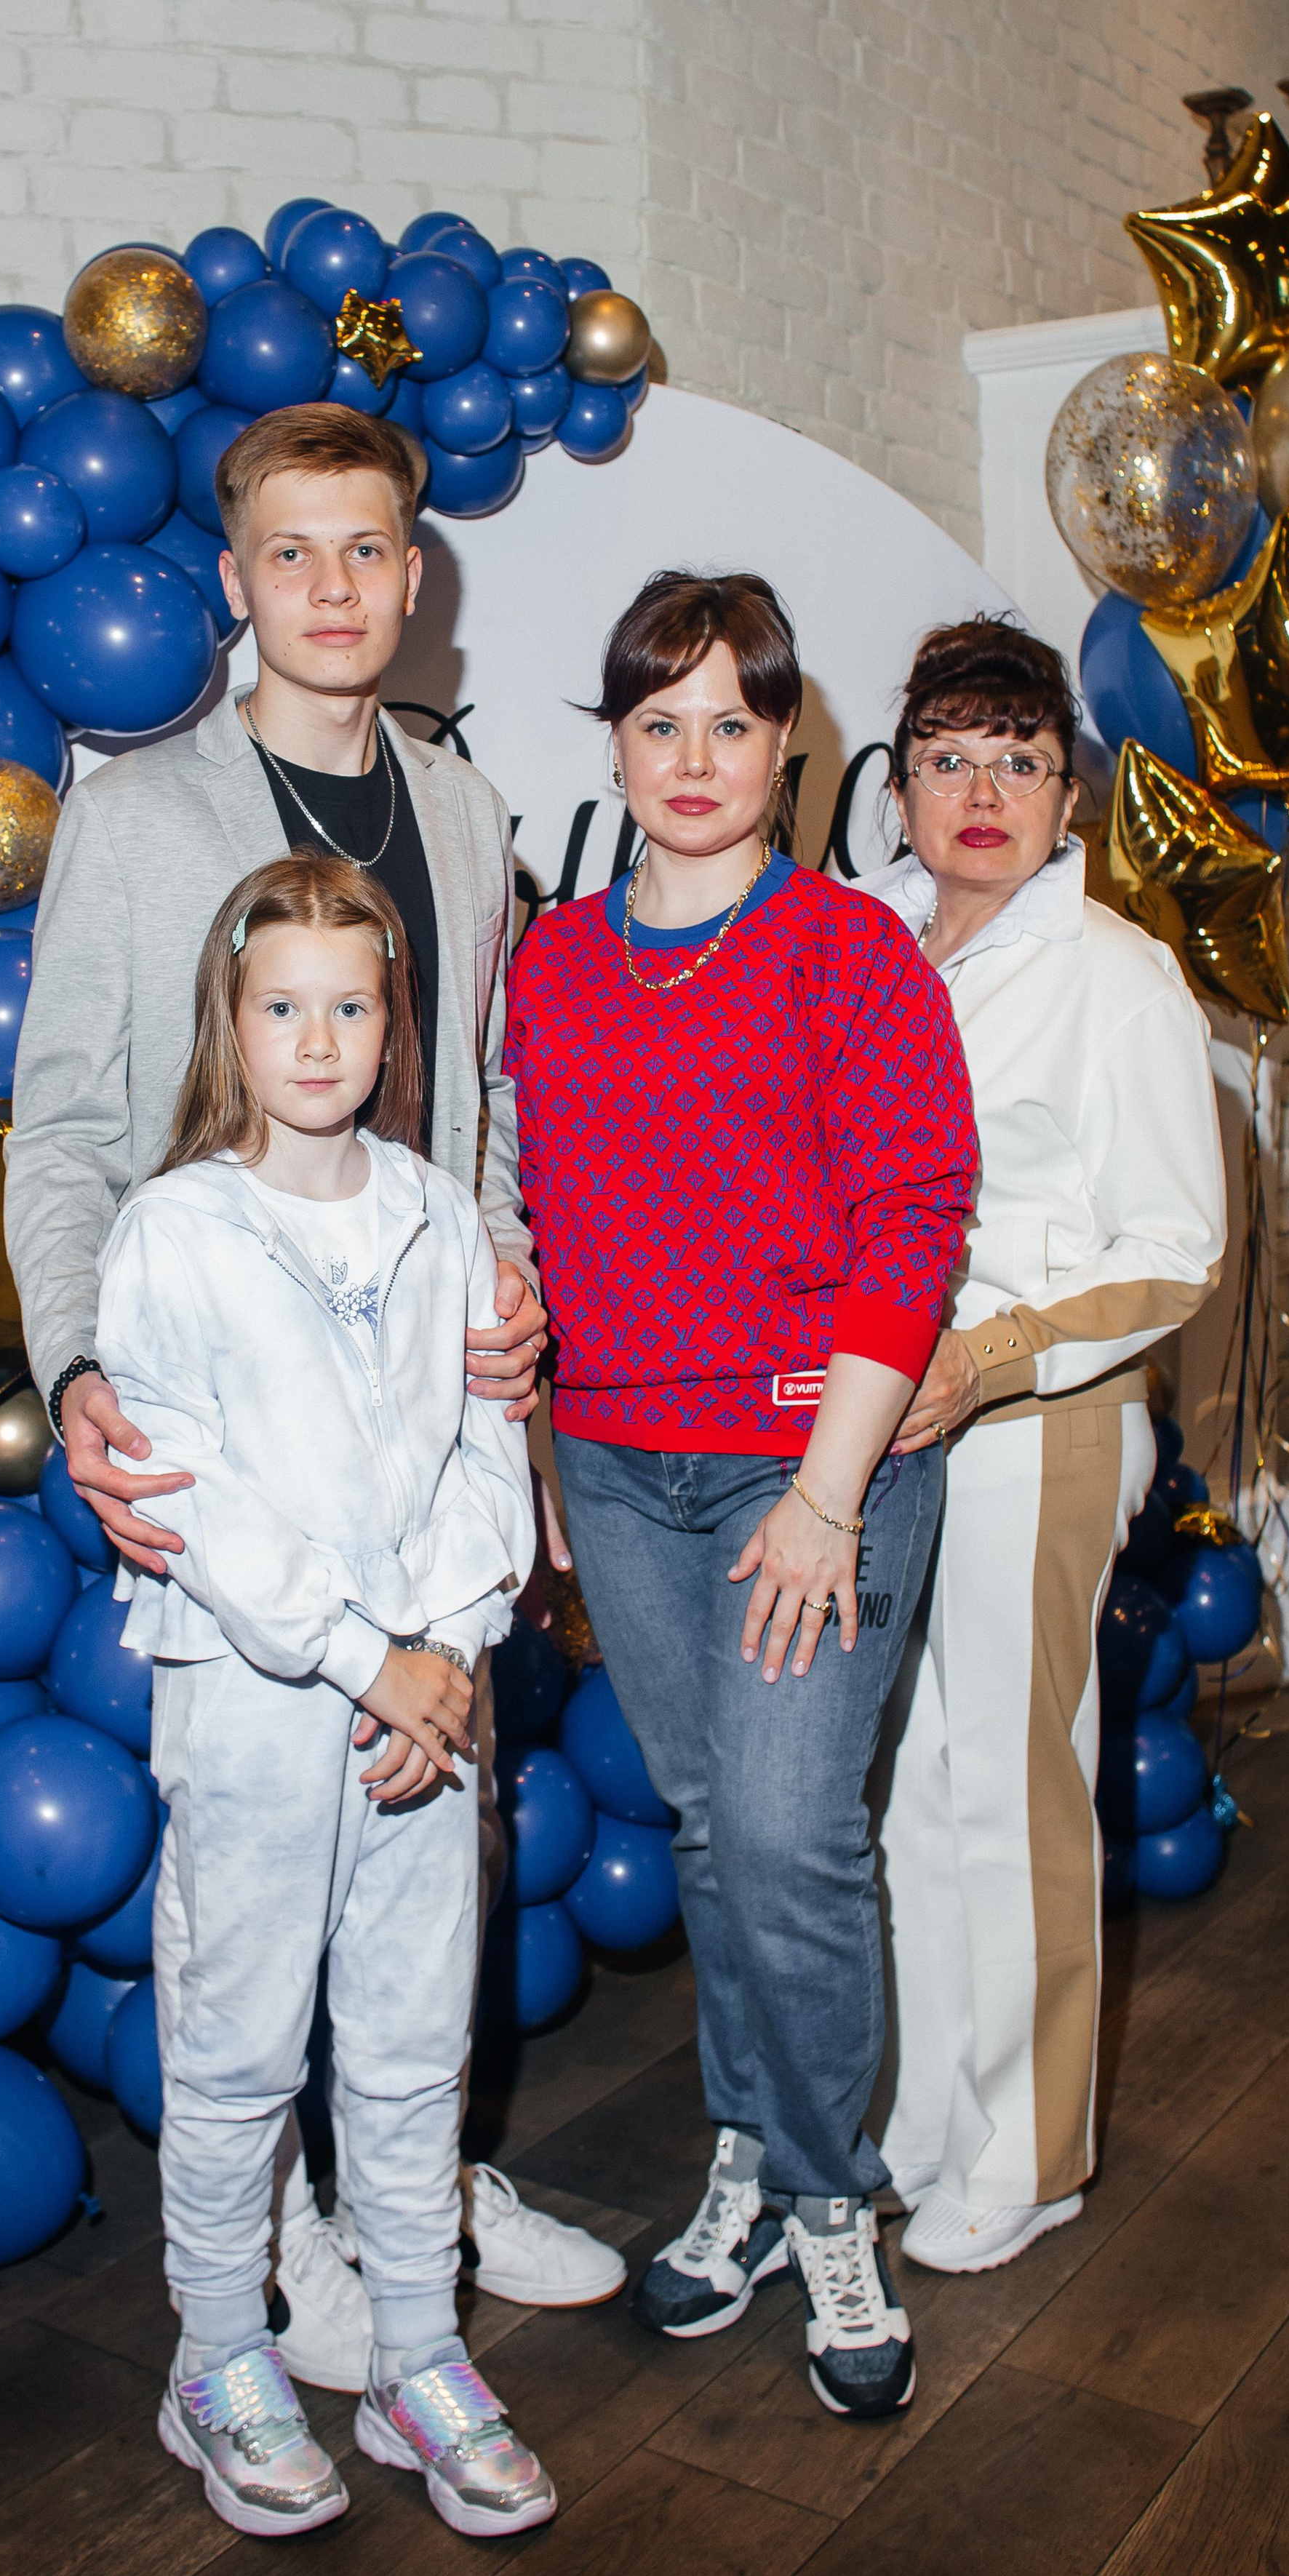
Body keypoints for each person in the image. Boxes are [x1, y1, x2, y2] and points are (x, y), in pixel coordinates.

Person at [4, 404, 623, 2387]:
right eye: (295, 554)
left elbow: (490, 1099)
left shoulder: (460, 806)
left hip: (424, 1411)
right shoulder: (137, 812)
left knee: (431, 1812)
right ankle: (272, 2244)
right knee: (258, 1875)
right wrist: (81, 1360)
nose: (336, 588)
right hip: (228, 1422)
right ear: (235, 581)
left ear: (414, 576)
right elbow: (67, 1123)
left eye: (371, 551)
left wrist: (509, 1284)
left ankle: (407, 2195)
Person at [504, 571, 978, 2422]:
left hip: (812, 1459)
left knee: (788, 1838)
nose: (692, 759)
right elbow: (528, 1229)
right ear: (613, 747)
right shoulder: (548, 964)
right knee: (711, 1831)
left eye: (730, 721)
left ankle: (826, 2193)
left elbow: (908, 1230)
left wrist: (826, 1495)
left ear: (790, 745)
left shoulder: (855, 952)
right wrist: (535, 1458)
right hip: (619, 1470)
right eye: (655, 722)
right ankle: (753, 2156)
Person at [96, 851, 554, 2540]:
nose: (315, 1037)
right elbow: (193, 1491)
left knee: (412, 2033)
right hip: (258, 1699)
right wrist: (371, 1660)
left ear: (390, 1023)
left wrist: (443, 1650)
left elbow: (478, 1448)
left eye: (348, 1007)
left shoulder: (439, 1212)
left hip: (428, 1704)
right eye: (281, 1005)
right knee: (234, 2042)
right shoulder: (174, 1229)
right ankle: (217, 2355)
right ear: (231, 1019)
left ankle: (420, 2355)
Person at [859, 617, 1226, 2274]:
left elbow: (1171, 1246)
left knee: (1010, 1792)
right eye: (949, 756)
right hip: (871, 1430)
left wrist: (987, 1355)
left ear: (1066, 791)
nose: (982, 791)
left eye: (1017, 757)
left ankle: (1029, 2150)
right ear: (900, 782)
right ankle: (931, 2116)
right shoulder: (863, 948)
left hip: (1038, 1426)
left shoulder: (1113, 976)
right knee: (906, 1797)